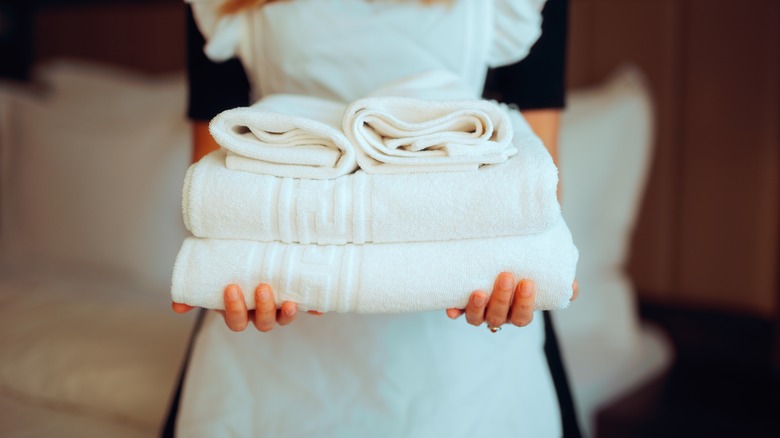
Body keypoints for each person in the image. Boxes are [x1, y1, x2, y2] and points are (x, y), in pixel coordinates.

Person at [166, 0, 581, 436]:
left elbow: (538, 189)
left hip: (459, 375)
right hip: (273, 363)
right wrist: (234, 273)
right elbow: (213, 183)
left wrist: (521, 269)